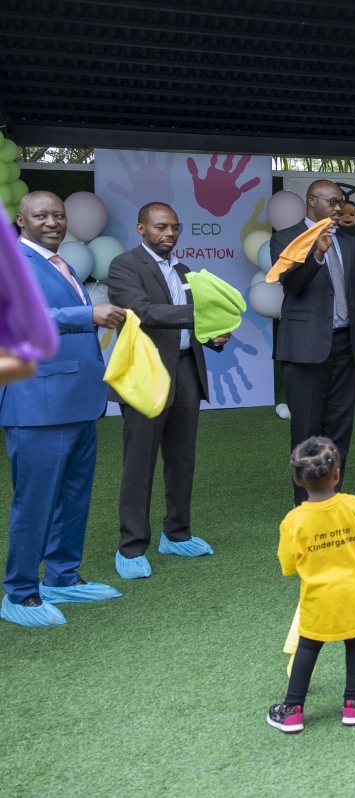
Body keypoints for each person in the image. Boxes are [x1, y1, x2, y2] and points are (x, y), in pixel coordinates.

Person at [0, 191, 124, 627]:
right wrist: (88, 314)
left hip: (77, 400)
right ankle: (19, 592)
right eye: (41, 215)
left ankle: (62, 578)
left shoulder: (61, 262)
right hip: (36, 403)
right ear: (20, 220)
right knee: (35, 502)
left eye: (58, 214)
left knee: (74, 496)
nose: (52, 222)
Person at [106, 202, 231, 579]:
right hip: (146, 374)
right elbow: (142, 311)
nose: (170, 234)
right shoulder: (124, 265)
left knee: (182, 458)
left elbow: (197, 323)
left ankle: (176, 534)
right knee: (139, 461)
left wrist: (215, 336)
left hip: (186, 370)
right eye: (161, 227)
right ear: (141, 228)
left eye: (175, 228)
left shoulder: (184, 269)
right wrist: (198, 317)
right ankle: (130, 547)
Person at [274, 181, 355, 503]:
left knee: (339, 432)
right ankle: (305, 508)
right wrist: (318, 254)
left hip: (345, 348)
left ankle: (331, 501)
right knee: (307, 433)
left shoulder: (350, 243)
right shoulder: (285, 237)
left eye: (340, 202)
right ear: (312, 201)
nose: (339, 208)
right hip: (306, 351)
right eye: (333, 202)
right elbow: (292, 285)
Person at [267, 437, 355, 734]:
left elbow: (288, 565)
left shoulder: (293, 520)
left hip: (317, 600)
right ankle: (354, 703)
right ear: (337, 474)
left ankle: (292, 710)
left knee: (307, 647)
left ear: (296, 479)